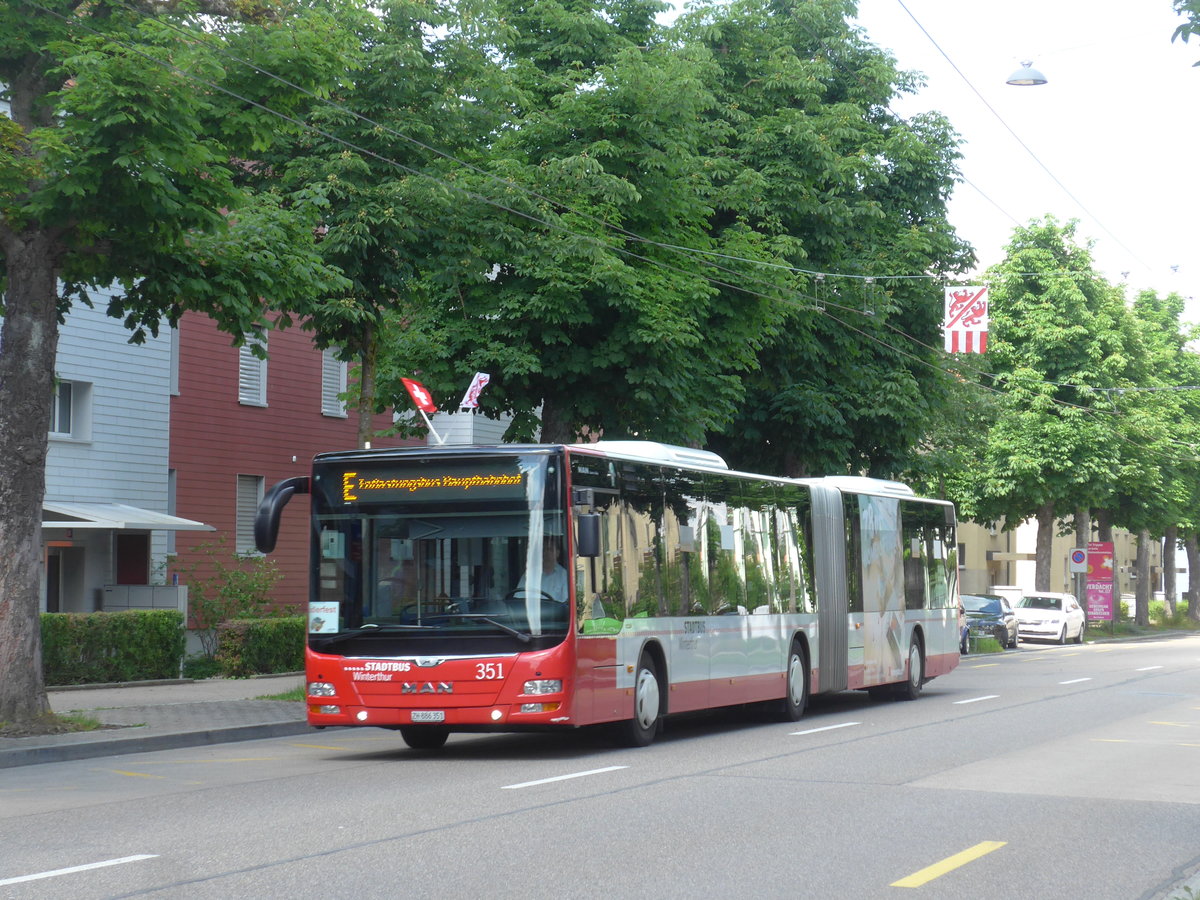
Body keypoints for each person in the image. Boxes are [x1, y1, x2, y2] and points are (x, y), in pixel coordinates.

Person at [516, 536, 570, 603]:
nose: (546, 553)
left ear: (557, 553)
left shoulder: (563, 575)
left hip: (555, 609)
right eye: (543, 550)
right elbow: (519, 599)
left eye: (550, 549)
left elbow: (566, 603)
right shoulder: (530, 574)